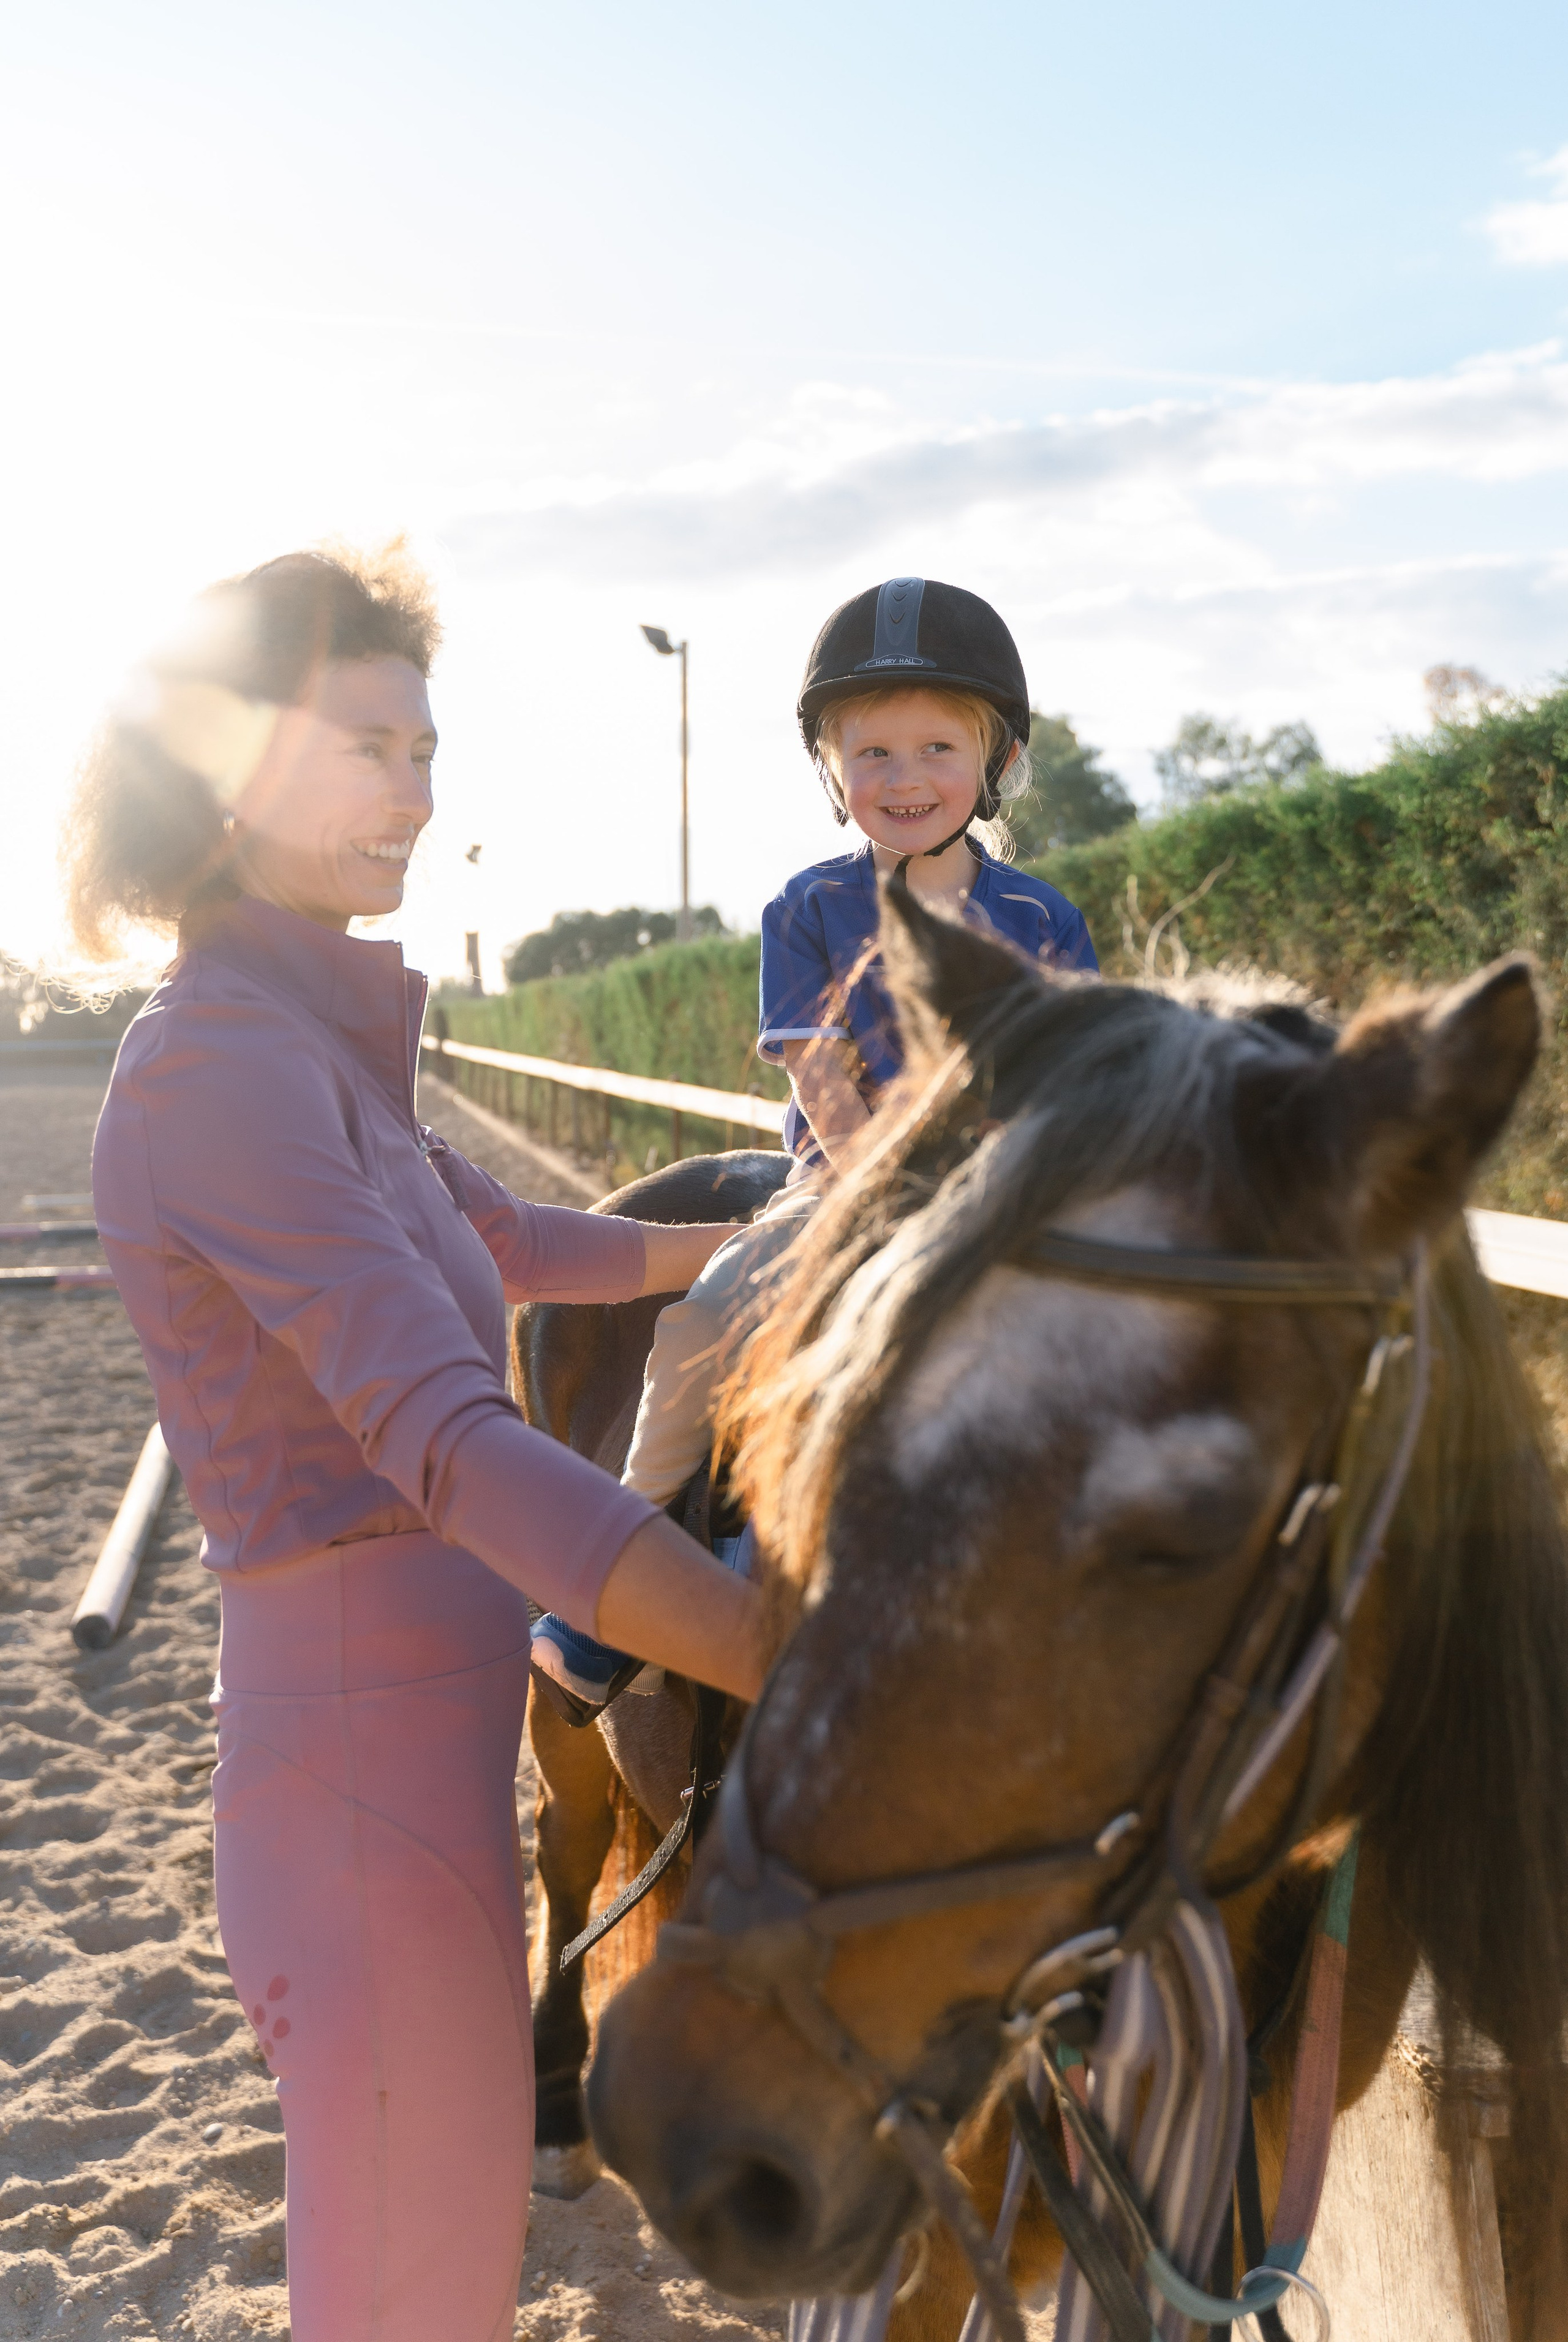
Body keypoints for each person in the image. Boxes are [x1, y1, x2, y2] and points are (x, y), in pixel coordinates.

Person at [72, 544, 762, 2342]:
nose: (415, 791)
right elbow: (446, 1444)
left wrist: (772, 1233)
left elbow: (525, 1241)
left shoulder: (321, 1046)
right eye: (366, 746)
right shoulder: (215, 1066)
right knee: (408, 2303)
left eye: (423, 749)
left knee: (444, 2284)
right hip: (364, 1804)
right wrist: (788, 1647)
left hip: (429, 1783)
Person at [528, 573, 1097, 1720]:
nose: (904, 778)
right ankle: (619, 1587)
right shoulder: (808, 908)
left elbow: (1071, 1079)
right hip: (837, 1189)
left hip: (1002, 1198)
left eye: (937, 746)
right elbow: (819, 1075)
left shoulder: (1042, 920)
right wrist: (892, 1191)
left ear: (994, 763)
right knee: (703, 1318)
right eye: (872, 752)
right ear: (832, 770)